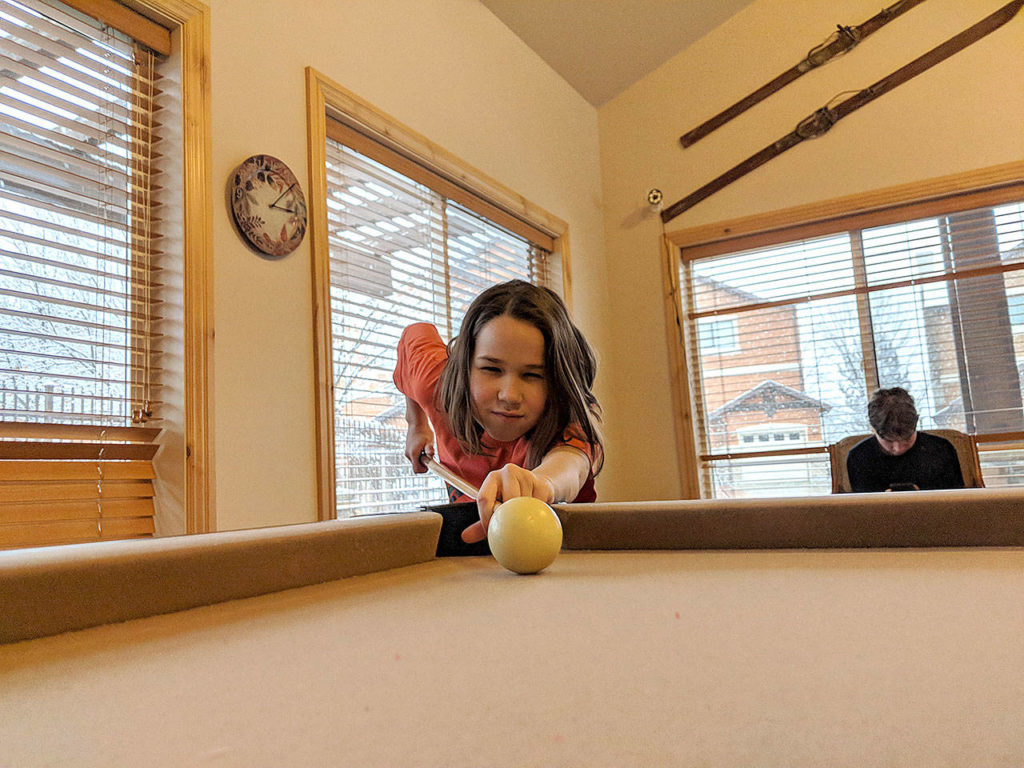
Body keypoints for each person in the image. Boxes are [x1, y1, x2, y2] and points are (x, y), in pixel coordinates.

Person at [393, 280, 604, 543]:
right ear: (465, 367)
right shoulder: (437, 386)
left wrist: (540, 483)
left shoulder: (567, 414)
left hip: (566, 553)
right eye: (491, 370)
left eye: (532, 375)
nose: (509, 396)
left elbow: (570, 466)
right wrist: (416, 424)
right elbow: (414, 334)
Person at [846, 387, 964, 493]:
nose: (898, 448)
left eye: (907, 439)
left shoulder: (942, 450)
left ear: (916, 423)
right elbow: (862, 511)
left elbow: (958, 503)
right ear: (873, 429)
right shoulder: (859, 457)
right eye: (889, 441)